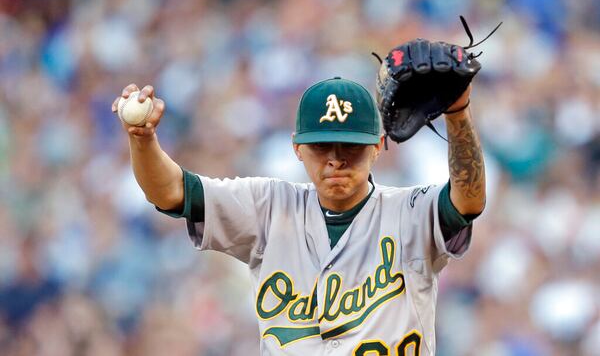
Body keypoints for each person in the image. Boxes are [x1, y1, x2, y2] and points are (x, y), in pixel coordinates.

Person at [111, 76, 485, 355]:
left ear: (378, 146)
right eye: (322, 147)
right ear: (297, 148)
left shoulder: (411, 212)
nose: (336, 159)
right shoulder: (269, 206)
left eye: (350, 147)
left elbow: (468, 200)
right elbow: (171, 192)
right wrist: (143, 141)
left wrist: (457, 114)